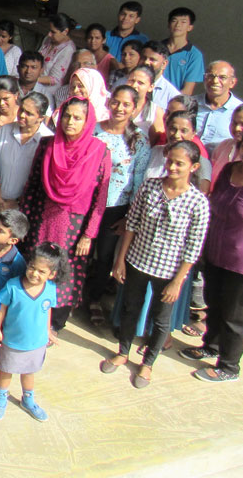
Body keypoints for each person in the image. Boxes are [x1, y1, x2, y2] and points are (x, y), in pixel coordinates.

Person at [180, 124, 243, 382]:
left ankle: (229, 367)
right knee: (214, 304)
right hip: (216, 255)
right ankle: (211, 346)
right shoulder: (229, 170)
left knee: (235, 317)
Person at [104, 140, 210, 387]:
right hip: (138, 261)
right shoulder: (150, 187)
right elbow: (132, 224)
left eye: (179, 163)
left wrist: (178, 281)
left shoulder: (198, 202)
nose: (172, 167)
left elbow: (193, 247)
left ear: (193, 167)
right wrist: (120, 260)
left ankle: (148, 363)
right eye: (170, 161)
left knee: (161, 319)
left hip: (169, 270)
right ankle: (123, 352)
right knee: (131, 308)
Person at [21, 97, 111, 333]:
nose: (70, 122)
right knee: (37, 266)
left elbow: (100, 198)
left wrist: (88, 235)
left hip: (75, 227)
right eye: (67, 116)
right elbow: (33, 185)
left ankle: (55, 323)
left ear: (87, 122)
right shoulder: (48, 145)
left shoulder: (99, 152)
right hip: (42, 220)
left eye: (77, 118)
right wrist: (24, 222)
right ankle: (32, 318)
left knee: (66, 272)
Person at [83, 85, 150, 325]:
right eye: (116, 102)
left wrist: (129, 216)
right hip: (87, 203)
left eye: (126, 104)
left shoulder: (139, 140)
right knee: (81, 251)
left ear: (135, 108)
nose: (120, 108)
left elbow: (139, 180)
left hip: (116, 208)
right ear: (109, 103)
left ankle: (94, 299)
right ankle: (72, 296)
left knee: (105, 255)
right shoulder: (93, 130)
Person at [0, 242, 66, 421]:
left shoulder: (50, 289)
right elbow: (2, 308)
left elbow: (47, 310)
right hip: (12, 341)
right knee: (6, 371)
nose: (34, 273)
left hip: (36, 343)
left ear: (52, 274)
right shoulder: (13, 286)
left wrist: (48, 331)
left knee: (28, 372)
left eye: (41, 271)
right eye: (32, 267)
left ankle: (28, 399)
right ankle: (2, 397)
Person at [0, 92, 53, 211]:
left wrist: (17, 201)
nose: (22, 115)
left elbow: (41, 179)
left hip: (26, 207)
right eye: (21, 110)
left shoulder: (47, 140)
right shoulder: (5, 131)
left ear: (41, 118)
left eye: (29, 113)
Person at [195, 61, 243, 149]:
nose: (215, 81)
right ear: (205, 79)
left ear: (232, 82)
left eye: (222, 77)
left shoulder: (240, 111)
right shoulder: (190, 104)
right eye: (210, 76)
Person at [163, 7, 204, 95]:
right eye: (174, 21)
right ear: (168, 24)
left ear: (190, 27)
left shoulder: (194, 55)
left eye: (183, 22)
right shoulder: (156, 49)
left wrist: (169, 101)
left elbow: (187, 91)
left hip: (176, 101)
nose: (178, 25)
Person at [38, 13, 76, 87]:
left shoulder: (68, 50)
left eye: (53, 32)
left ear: (65, 32)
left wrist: (32, 79)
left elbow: (55, 79)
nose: (49, 34)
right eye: (49, 31)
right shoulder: (48, 40)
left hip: (49, 89)